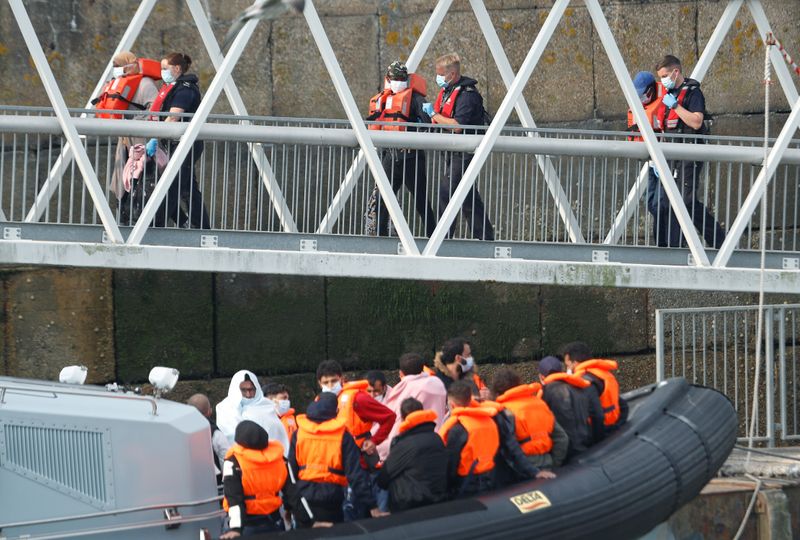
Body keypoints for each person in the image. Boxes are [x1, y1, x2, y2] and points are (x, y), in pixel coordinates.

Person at [650, 55, 726, 248]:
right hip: (671, 157)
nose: (663, 80)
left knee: (686, 202)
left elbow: (696, 121)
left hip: (689, 156)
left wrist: (676, 106)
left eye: (666, 75)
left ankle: (718, 241)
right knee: (665, 203)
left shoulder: (693, 94)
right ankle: (666, 244)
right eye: (661, 77)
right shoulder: (669, 95)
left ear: (676, 72)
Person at [422, 53, 494, 240]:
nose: (437, 78)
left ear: (452, 74)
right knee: (468, 197)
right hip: (453, 152)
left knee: (447, 193)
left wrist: (434, 115)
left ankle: (440, 239)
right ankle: (485, 238)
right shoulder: (448, 92)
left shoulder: (467, 96)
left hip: (464, 153)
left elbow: (457, 125)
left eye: (440, 74)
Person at [285, 393, 381, 527]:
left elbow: (291, 473)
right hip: (331, 497)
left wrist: (288, 506)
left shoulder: (299, 434)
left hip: (304, 497)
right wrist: (372, 506)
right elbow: (355, 474)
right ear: (336, 411)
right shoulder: (343, 436)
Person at [316, 360, 395, 519]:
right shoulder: (319, 403)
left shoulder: (357, 398)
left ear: (341, 379)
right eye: (326, 382)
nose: (330, 385)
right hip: (332, 468)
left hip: (359, 464)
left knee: (354, 513)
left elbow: (389, 416)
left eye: (333, 381)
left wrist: (375, 441)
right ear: (319, 383)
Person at [366, 61, 437, 237]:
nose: (398, 81)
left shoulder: (416, 99)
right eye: (395, 78)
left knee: (421, 200)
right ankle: (380, 237)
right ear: (388, 79)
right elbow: (373, 120)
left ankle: (433, 236)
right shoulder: (383, 99)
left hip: (411, 158)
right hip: (389, 157)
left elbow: (428, 123)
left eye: (401, 78)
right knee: (383, 200)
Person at [146, 52, 210, 229]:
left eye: (165, 68)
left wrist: (155, 135)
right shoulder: (174, 87)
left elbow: (173, 117)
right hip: (175, 143)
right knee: (187, 188)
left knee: (172, 185)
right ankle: (199, 225)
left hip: (185, 144)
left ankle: (155, 225)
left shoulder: (185, 89)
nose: (162, 72)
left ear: (176, 68)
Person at [93, 51, 160, 204]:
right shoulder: (115, 85)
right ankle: (123, 215)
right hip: (124, 143)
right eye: (114, 66)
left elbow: (156, 110)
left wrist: (135, 123)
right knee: (123, 182)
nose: (116, 69)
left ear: (130, 65)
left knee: (143, 183)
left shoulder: (145, 84)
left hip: (142, 145)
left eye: (119, 66)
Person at [376, 398, 448, 512]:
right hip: (438, 499)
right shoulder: (437, 438)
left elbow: (384, 478)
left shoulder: (405, 444)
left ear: (403, 418)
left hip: (409, 504)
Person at [490, 367, 569, 469]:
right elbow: (562, 438)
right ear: (518, 383)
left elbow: (507, 448)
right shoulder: (540, 404)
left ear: (497, 391)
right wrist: (555, 463)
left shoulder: (504, 411)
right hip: (548, 463)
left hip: (522, 471)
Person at [376, 352, 448, 463]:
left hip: (410, 448)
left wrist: (379, 451)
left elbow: (396, 423)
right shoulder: (437, 383)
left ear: (401, 372)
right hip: (438, 442)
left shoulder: (405, 389)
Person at [221, 420, 287, 538]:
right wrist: (302, 517)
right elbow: (292, 491)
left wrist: (235, 528)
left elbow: (233, 497)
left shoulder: (233, 461)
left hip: (247, 525)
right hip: (275, 520)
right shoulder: (279, 458)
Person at [438, 381, 500, 497]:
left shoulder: (458, 429)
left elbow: (452, 462)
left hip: (468, 484)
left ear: (451, 404)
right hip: (491, 478)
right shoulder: (490, 420)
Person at [538, 356, 604, 461]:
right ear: (561, 371)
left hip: (567, 453)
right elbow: (597, 415)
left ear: (541, 377)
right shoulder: (576, 386)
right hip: (586, 444)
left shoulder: (546, 394)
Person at [216, 370, 289, 455]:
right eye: (243, 390)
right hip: (241, 459)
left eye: (251, 389)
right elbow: (230, 436)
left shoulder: (267, 406)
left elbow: (278, 434)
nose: (248, 394)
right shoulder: (225, 408)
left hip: (273, 458)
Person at [561, 341, 628, 432]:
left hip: (599, 432)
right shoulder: (603, 373)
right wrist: (618, 425)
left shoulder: (584, 381)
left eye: (567, 365)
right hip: (615, 424)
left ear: (573, 361)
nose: (567, 369)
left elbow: (596, 415)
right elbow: (623, 405)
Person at [187, 393, 230, 484]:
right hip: (213, 485)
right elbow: (227, 459)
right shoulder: (215, 434)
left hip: (187, 483)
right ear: (209, 411)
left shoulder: (180, 430)